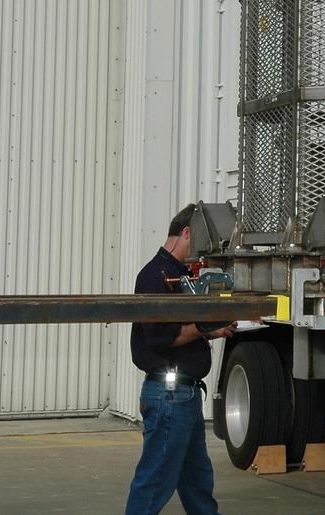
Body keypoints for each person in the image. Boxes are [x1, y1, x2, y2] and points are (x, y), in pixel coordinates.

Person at [126, 204, 238, 515]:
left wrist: (211, 331)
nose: (202, 254)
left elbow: (183, 330)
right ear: (186, 233)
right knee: (154, 482)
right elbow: (162, 337)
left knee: (197, 483)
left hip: (183, 396)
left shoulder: (183, 274)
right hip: (169, 396)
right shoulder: (152, 276)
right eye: (200, 243)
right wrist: (206, 326)